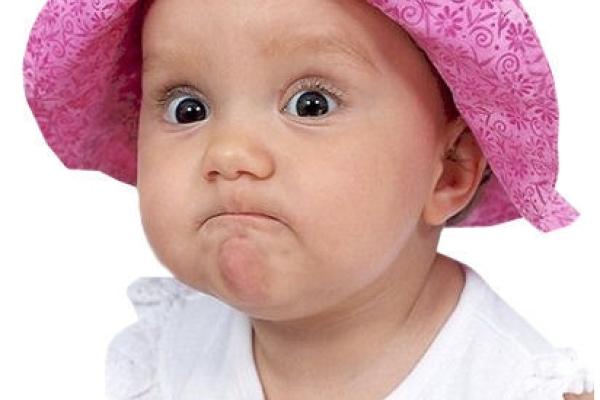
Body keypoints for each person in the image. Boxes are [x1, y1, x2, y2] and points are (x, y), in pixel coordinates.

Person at [23, 0, 594, 399]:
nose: (229, 151)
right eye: (187, 109)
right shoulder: (167, 355)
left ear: (448, 171)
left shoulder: (508, 384)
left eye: (311, 104)